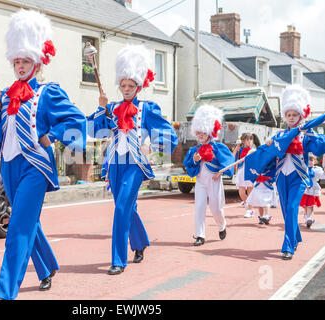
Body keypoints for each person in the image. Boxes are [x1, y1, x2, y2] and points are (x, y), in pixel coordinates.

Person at [0, 9, 86, 300]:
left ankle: (5, 292)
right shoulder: (6, 95)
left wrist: (52, 136)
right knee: (28, 222)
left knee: (17, 229)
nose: (21, 65)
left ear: (36, 62)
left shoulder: (48, 93)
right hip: (9, 167)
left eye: (26, 60)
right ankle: (47, 266)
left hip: (35, 167)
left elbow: (76, 121)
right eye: (17, 61)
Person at [87, 45, 178, 275]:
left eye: (130, 86)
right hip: (115, 164)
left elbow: (169, 134)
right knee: (128, 207)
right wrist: (101, 108)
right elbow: (93, 130)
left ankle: (118, 260)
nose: (126, 89)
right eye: (123, 85)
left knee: (121, 207)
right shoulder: (112, 107)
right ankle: (140, 242)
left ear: (138, 86)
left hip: (135, 164)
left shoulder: (147, 108)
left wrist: (153, 145)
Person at [257, 85, 325, 260]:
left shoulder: (305, 134)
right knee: (285, 210)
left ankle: (288, 246)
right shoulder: (280, 134)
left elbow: (324, 147)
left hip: (299, 176)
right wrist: (267, 145)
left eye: (294, 115)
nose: (291, 118)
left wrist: (310, 133)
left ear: (300, 116)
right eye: (288, 115)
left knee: (291, 208)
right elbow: (269, 153)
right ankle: (296, 237)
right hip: (282, 176)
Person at [183, 104, 235, 246]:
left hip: (213, 180)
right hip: (200, 181)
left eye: (204, 133)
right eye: (198, 132)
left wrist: (221, 172)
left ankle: (221, 225)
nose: (200, 135)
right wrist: (194, 160)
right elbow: (189, 166)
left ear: (211, 132)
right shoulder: (194, 150)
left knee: (215, 207)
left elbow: (229, 161)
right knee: (199, 207)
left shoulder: (218, 147)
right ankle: (200, 235)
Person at [300, 154, 325, 228]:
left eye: (311, 160)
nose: (309, 162)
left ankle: (308, 218)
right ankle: (307, 215)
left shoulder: (316, 169)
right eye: (308, 160)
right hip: (303, 190)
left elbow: (323, 176)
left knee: (310, 205)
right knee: (304, 205)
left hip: (312, 190)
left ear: (315, 161)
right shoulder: (302, 168)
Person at [232, 133, 255, 217]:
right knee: (241, 191)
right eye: (247, 139)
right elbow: (232, 157)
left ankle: (250, 210)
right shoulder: (240, 150)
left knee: (250, 191)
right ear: (243, 141)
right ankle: (247, 204)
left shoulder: (253, 150)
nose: (249, 141)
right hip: (241, 170)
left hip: (250, 171)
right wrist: (236, 148)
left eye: (250, 139)